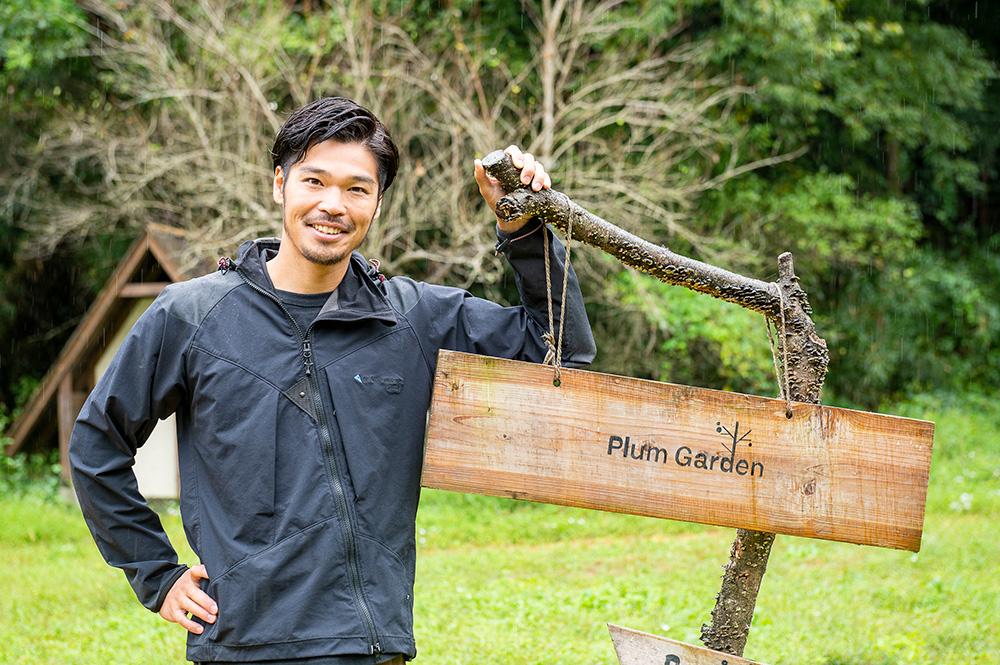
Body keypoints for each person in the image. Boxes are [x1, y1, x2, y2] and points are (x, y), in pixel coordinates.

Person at [69, 96, 595, 664]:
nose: (332, 205)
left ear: (377, 202)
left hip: (371, 648)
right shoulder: (192, 316)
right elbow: (97, 443)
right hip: (243, 645)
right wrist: (157, 574)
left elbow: (559, 349)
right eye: (314, 180)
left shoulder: (410, 318)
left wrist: (522, 226)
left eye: (356, 188)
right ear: (280, 184)